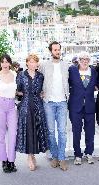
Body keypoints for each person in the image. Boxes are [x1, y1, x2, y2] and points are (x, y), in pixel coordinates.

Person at [38, 41, 69, 171]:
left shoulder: (66, 65)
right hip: (49, 103)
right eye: (55, 50)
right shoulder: (44, 65)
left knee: (62, 132)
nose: (57, 52)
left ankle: (61, 158)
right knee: (51, 132)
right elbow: (38, 79)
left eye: (59, 49)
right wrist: (40, 92)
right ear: (51, 51)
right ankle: (55, 156)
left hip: (62, 102)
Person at [15, 54, 48, 171]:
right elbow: (17, 91)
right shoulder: (21, 75)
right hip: (25, 106)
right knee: (28, 130)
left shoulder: (40, 76)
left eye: (35, 62)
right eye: (31, 62)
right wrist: (25, 94)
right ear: (27, 63)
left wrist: (42, 94)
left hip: (38, 106)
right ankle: (30, 157)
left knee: (37, 130)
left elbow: (43, 90)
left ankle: (33, 155)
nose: (33, 64)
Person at [68, 51, 98, 165]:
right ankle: (77, 155)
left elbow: (98, 85)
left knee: (90, 131)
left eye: (87, 59)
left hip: (90, 106)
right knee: (76, 131)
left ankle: (89, 153)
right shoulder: (72, 70)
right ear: (78, 60)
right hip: (75, 106)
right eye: (82, 59)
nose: (84, 61)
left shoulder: (94, 71)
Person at [0, 54, 18, 173]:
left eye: (7, 62)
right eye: (3, 62)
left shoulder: (15, 75)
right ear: (0, 64)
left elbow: (18, 91)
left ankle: (11, 161)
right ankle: (4, 161)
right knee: (0, 135)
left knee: (13, 135)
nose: (5, 64)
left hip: (12, 107)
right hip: (0, 106)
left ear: (10, 63)